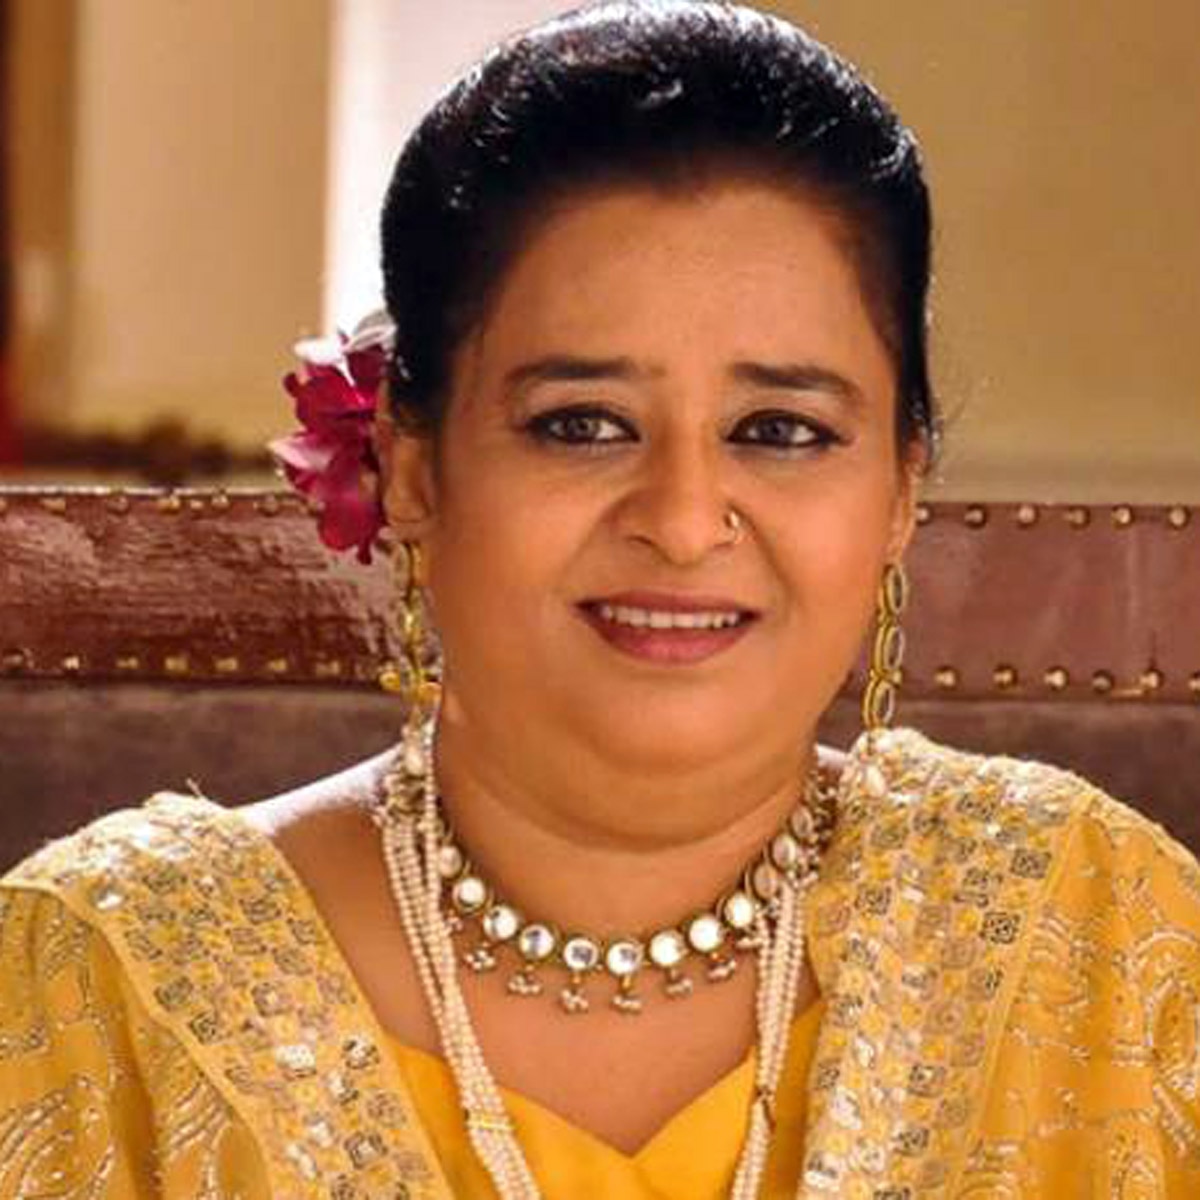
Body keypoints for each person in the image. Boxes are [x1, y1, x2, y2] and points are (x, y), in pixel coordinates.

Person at [2, 2, 1198, 1196]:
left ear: (899, 490)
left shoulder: (1098, 944)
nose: (682, 519)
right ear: (411, 468)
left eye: (780, 430)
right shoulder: (103, 995)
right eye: (582, 424)